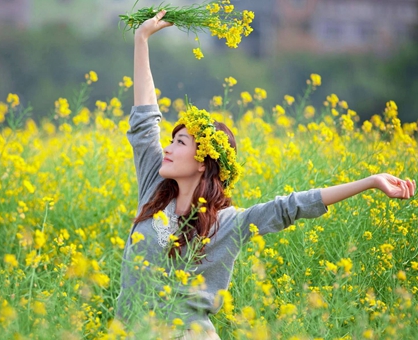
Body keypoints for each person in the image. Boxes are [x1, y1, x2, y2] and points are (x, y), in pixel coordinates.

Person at [114, 10, 416, 340]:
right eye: (171, 140)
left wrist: (370, 182)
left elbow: (290, 207)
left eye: (180, 142)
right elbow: (145, 121)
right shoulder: (154, 188)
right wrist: (141, 40)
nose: (168, 147)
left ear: (203, 161)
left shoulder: (226, 223)